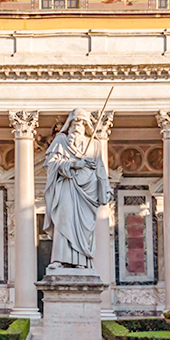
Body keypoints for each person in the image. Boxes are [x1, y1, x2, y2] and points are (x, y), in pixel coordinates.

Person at [43, 111, 112, 269]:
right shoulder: (61, 141)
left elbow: (101, 169)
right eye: (74, 124)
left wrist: (106, 189)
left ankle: (82, 262)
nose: (77, 128)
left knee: (85, 226)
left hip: (88, 191)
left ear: (86, 127)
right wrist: (73, 164)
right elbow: (51, 164)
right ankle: (59, 260)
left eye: (81, 125)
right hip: (67, 186)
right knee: (64, 220)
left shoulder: (94, 145)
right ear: (69, 125)